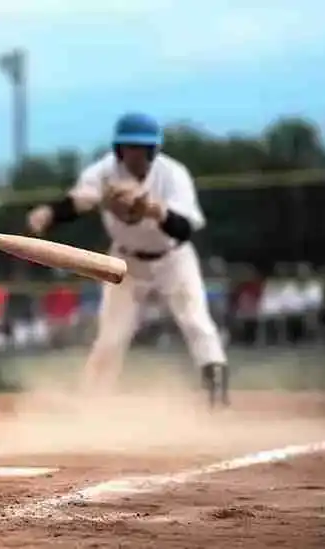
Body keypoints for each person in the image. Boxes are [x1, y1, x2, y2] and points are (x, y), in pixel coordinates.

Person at [26, 112, 229, 408]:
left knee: (197, 323)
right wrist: (49, 214)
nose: (135, 154)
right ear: (119, 149)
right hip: (125, 262)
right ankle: (92, 402)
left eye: (142, 148)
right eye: (129, 147)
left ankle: (218, 396)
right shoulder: (104, 172)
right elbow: (78, 201)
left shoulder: (173, 174)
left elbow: (184, 230)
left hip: (173, 259)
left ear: (153, 150)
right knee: (111, 335)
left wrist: (156, 211)